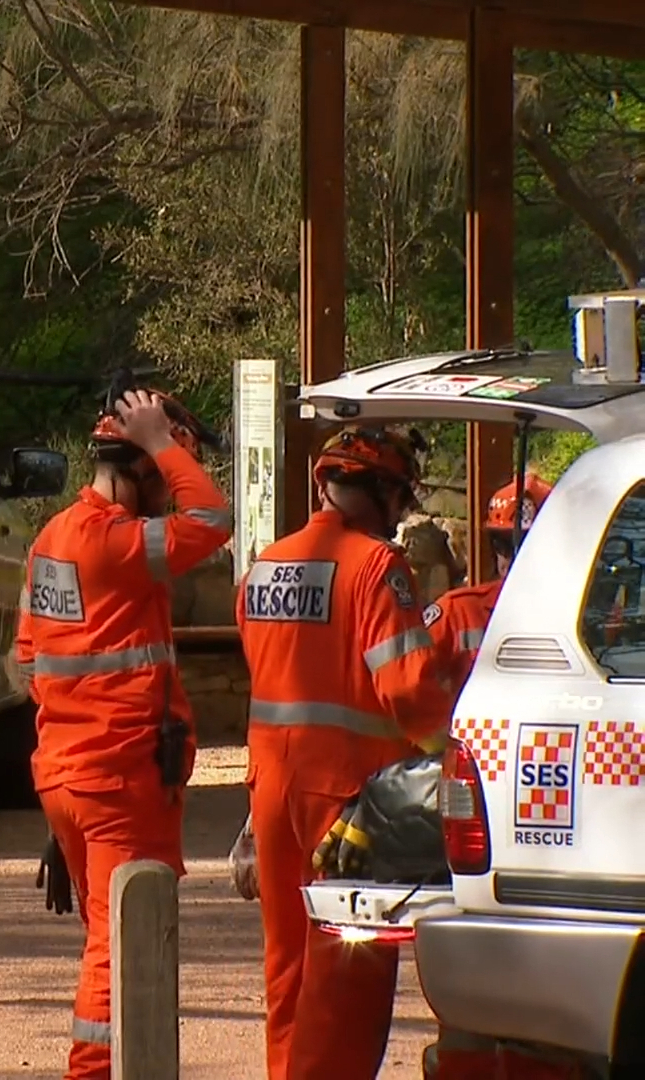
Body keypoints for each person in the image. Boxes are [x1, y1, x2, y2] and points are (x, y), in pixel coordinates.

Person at [13, 389, 232, 1079]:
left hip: (71, 777)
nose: (170, 491)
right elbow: (214, 520)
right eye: (164, 474)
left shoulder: (52, 539)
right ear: (141, 466)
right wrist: (161, 439)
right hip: (118, 779)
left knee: (108, 940)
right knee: (120, 950)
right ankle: (92, 1072)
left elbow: (30, 661)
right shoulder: (119, 543)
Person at [235, 425, 456, 1080]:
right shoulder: (377, 567)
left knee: (288, 967)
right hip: (352, 803)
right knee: (347, 977)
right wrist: (456, 753)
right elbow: (408, 688)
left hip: (272, 791)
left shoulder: (265, 567)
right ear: (384, 492)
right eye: (402, 499)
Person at [423, 472, 552, 687]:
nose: (514, 558)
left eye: (527, 545)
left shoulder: (585, 614)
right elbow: (409, 686)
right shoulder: (458, 613)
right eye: (503, 544)